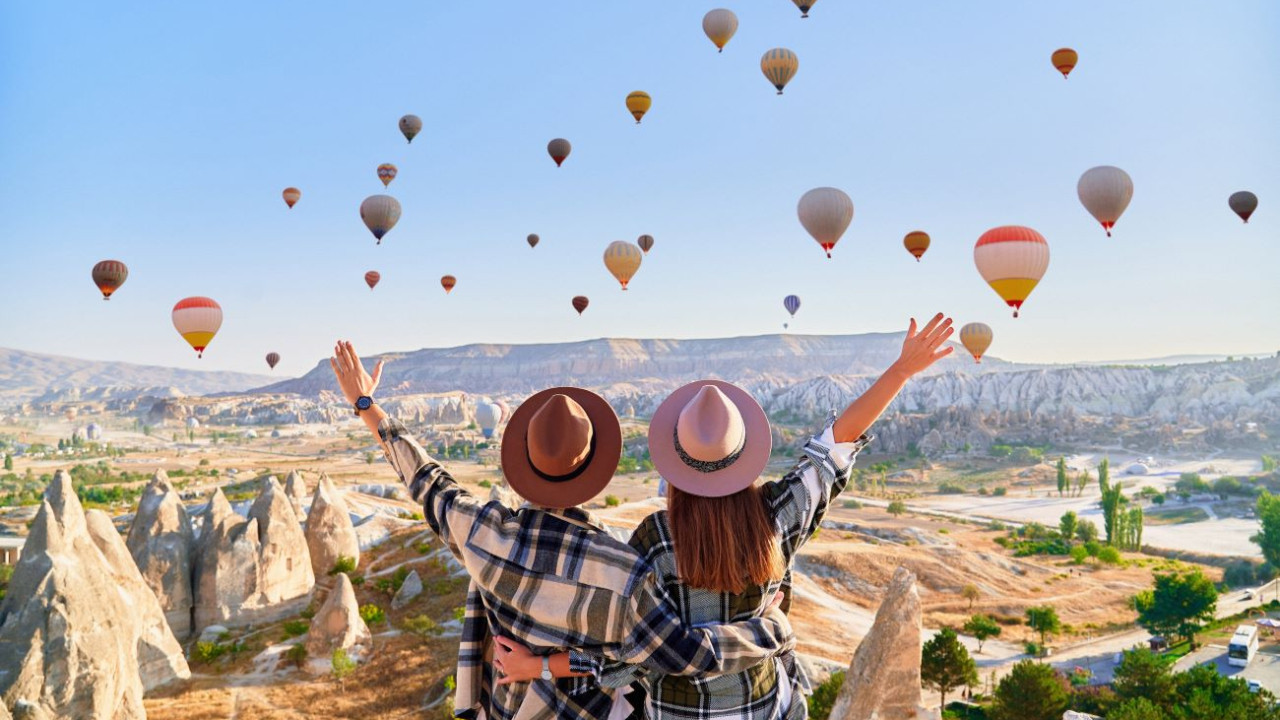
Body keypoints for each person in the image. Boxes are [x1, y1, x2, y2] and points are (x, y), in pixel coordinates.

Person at [494, 314, 955, 719]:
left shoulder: (654, 540)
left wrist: (534, 667)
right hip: (766, 706)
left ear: (674, 466)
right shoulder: (775, 516)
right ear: (744, 457)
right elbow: (836, 445)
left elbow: (621, 660)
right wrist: (901, 370)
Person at [330, 341, 796, 720]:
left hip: (505, 707)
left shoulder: (483, 533)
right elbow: (681, 656)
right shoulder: (622, 573)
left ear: (525, 461)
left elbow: (428, 481)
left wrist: (366, 404)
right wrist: (770, 628)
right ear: (596, 468)